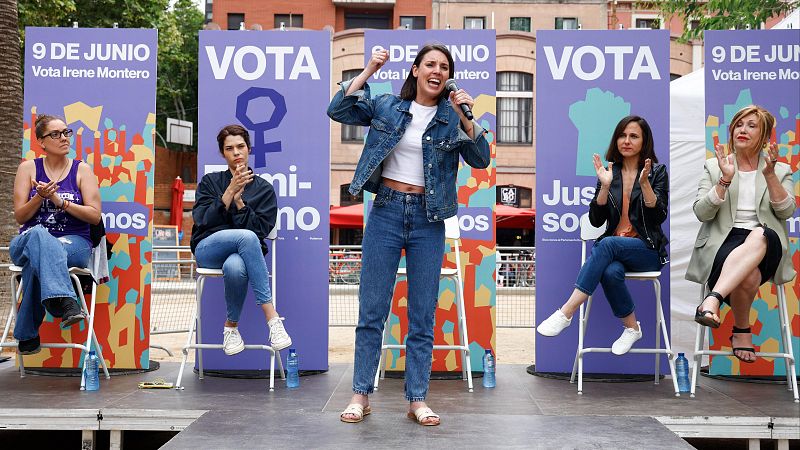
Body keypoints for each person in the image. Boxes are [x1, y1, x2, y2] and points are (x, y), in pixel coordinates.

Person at [328, 44, 490, 425]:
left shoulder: (452, 119)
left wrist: (468, 118)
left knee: (422, 315)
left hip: (428, 219)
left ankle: (417, 398)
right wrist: (369, 69)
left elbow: (481, 158)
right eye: (430, 64)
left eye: (444, 67)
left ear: (448, 77)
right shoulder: (387, 105)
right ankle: (360, 394)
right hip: (385, 210)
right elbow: (338, 109)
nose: (436, 71)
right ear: (416, 70)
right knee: (372, 311)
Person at [537, 116, 669, 355]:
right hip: (617, 250)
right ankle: (631, 328)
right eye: (622, 135)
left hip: (647, 250)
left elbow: (659, 216)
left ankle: (566, 312)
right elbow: (597, 220)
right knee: (609, 271)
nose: (626, 141)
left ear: (644, 141)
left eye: (633, 136)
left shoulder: (657, 172)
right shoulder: (610, 172)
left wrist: (645, 184)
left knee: (606, 244)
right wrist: (605, 186)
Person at [686, 105, 795, 363]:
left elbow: (787, 210)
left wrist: (769, 176)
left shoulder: (779, 170)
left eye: (751, 125)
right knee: (749, 275)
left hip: (768, 243)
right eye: (738, 124)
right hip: (724, 242)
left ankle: (712, 300)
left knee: (759, 234)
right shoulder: (715, 166)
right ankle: (742, 331)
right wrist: (724, 181)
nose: (742, 130)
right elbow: (702, 213)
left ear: (765, 137)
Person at [190, 124, 292, 356]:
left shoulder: (264, 190)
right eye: (229, 148)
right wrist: (228, 193)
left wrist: (239, 203)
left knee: (235, 266)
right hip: (208, 249)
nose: (236, 152)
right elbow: (202, 221)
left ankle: (231, 328)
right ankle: (273, 319)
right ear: (222, 153)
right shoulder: (210, 182)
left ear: (248, 149)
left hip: (242, 255)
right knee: (244, 238)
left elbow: (259, 232)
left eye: (240, 146)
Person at [11, 114, 102, 355]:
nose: (63, 138)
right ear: (41, 141)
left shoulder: (82, 169)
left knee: (35, 263)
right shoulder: (28, 168)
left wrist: (59, 202)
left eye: (66, 132)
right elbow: (20, 217)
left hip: (75, 242)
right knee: (38, 234)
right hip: (27, 240)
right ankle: (66, 300)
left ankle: (27, 336)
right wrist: (39, 197)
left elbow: (94, 216)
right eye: (55, 134)